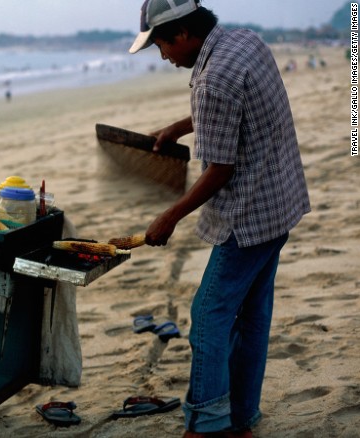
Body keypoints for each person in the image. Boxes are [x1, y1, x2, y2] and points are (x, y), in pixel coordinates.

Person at [128, 1, 310, 437]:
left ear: (184, 33)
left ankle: (206, 426)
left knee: (208, 316)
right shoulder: (245, 42)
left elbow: (219, 170)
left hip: (246, 220)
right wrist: (178, 127)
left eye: (162, 46)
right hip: (279, 204)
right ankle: (242, 420)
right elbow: (232, 111)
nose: (164, 56)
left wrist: (169, 217)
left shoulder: (212, 81)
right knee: (251, 318)